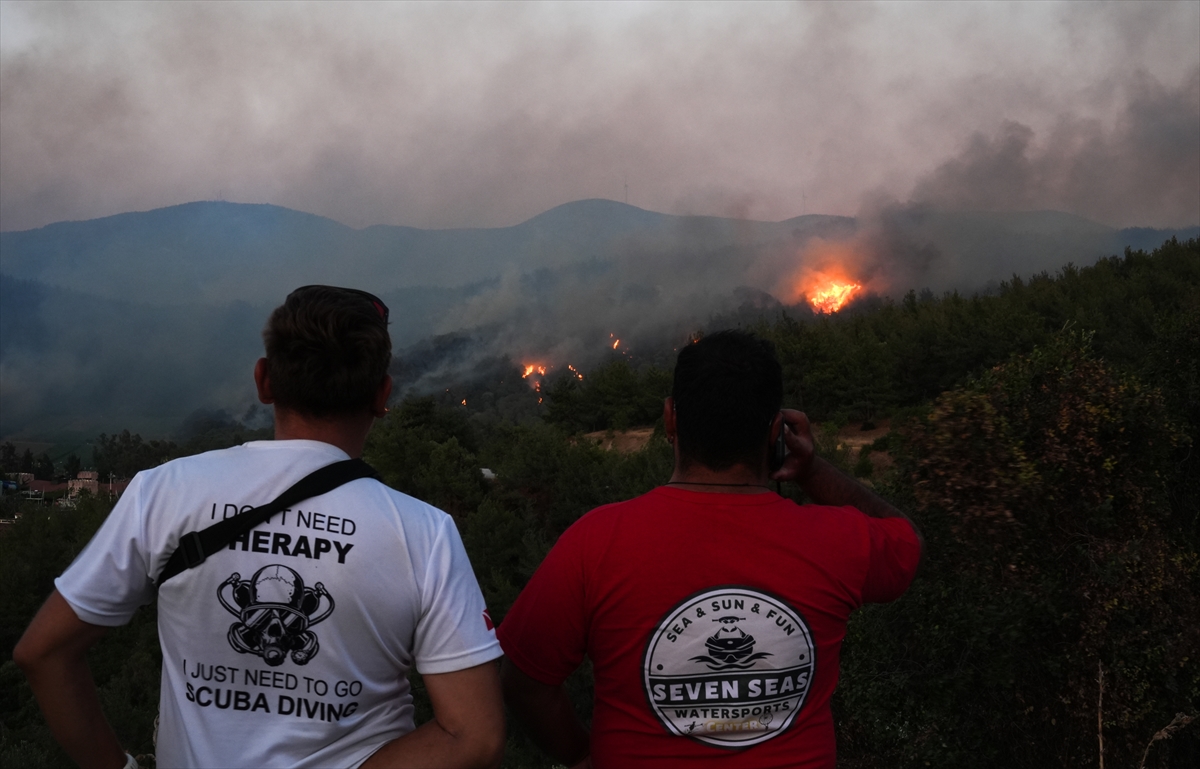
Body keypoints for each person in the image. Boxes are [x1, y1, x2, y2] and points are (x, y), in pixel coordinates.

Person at [15, 286, 505, 769]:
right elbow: (473, 735)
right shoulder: (424, 533)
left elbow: (44, 653)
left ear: (264, 381)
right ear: (382, 396)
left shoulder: (164, 492)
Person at [497, 330, 923, 768]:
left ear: (670, 420)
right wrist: (812, 469)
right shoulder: (839, 541)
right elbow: (905, 540)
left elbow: (523, 679)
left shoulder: (595, 541)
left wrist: (581, 752)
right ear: (777, 431)